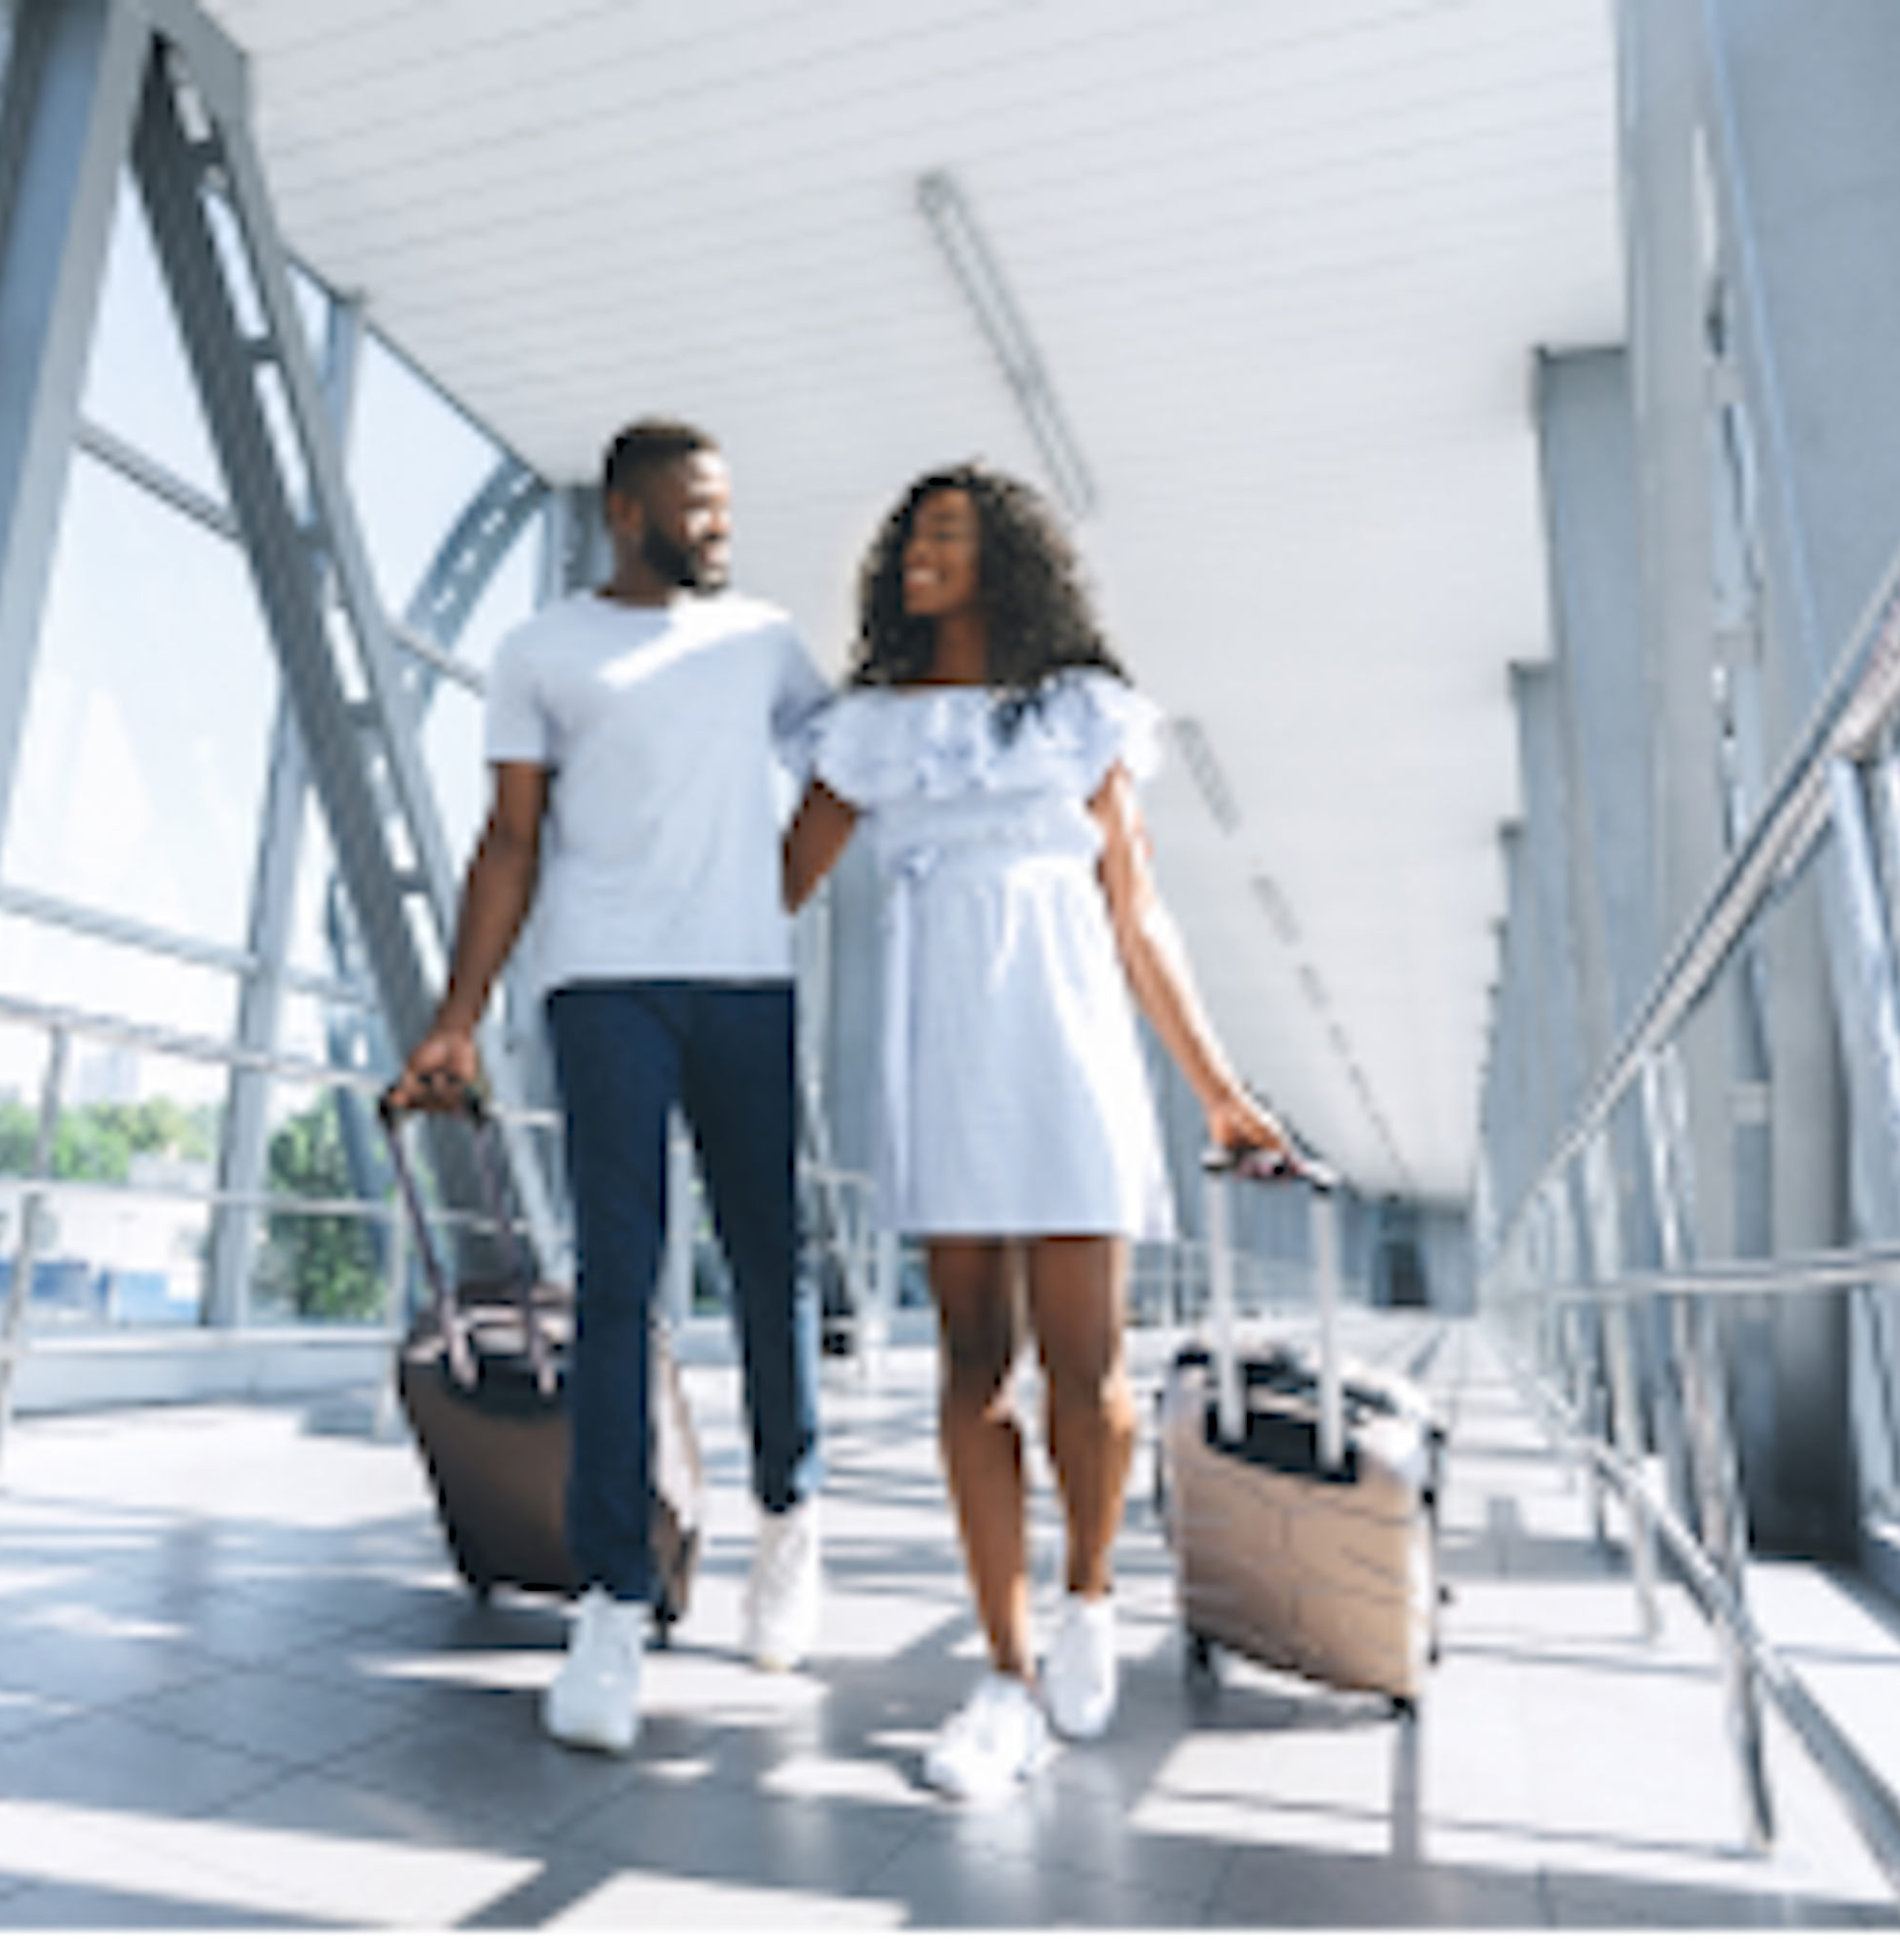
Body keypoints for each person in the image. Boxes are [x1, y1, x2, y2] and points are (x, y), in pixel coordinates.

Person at [785, 464, 1287, 1800]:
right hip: (942, 1054)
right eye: (908, 538)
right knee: (972, 1362)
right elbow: (774, 879)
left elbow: (1139, 913)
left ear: (1007, 559)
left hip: (1066, 1049)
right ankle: (1001, 1674)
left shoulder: (1083, 716)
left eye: (946, 536)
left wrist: (1223, 1090)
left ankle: (1088, 1594)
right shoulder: (873, 726)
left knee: (1090, 1363)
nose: (916, 557)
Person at [388, 417, 834, 1754]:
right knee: (620, 1275)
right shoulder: (542, 652)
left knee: (771, 1260)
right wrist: (456, 1019)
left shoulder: (763, 638)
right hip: (603, 988)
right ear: (628, 511)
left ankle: (789, 1524)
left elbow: (847, 769)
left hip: (747, 986)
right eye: (698, 505)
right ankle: (611, 1600)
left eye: (725, 503)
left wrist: (772, 897)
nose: (720, 524)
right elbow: (510, 841)